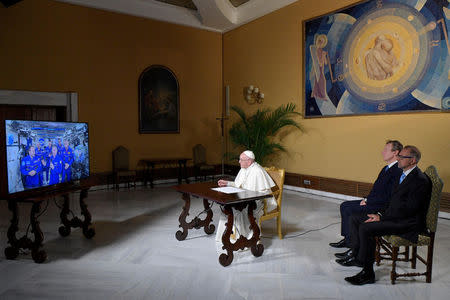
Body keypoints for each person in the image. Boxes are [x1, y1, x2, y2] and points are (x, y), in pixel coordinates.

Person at [338, 146, 431, 285]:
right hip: (395, 217)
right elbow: (391, 201)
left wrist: (382, 217)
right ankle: (358, 257)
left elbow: (409, 209)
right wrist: (379, 214)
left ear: (412, 160)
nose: (398, 159)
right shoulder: (403, 174)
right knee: (357, 218)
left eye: (402, 157)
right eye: (398, 156)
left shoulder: (420, 180)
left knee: (366, 228)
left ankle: (368, 273)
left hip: (408, 223)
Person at [330, 140, 403, 252]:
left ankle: (352, 243)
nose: (382, 152)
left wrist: (369, 201)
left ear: (395, 152)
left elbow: (388, 196)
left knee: (349, 208)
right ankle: (348, 239)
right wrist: (366, 199)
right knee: (344, 205)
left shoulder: (397, 170)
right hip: (373, 201)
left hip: (380, 206)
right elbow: (376, 189)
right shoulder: (385, 168)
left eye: (385, 150)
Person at [215, 150, 276, 243]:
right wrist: (227, 183)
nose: (239, 161)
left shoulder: (257, 171)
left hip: (257, 202)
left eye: (241, 160)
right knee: (227, 209)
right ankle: (227, 237)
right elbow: (239, 184)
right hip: (245, 198)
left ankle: (245, 239)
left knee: (239, 210)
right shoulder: (244, 169)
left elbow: (261, 193)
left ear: (249, 161)